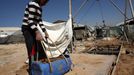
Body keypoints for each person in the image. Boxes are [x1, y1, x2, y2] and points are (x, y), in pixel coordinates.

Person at [21, 0, 49, 74]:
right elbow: (30, 20)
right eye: (45, 1)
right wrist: (37, 32)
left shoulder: (40, 8)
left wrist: (45, 32)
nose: (46, 3)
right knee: (31, 49)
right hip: (27, 28)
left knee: (38, 48)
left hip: (33, 28)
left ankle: (38, 67)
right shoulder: (33, 4)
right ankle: (32, 70)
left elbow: (39, 21)